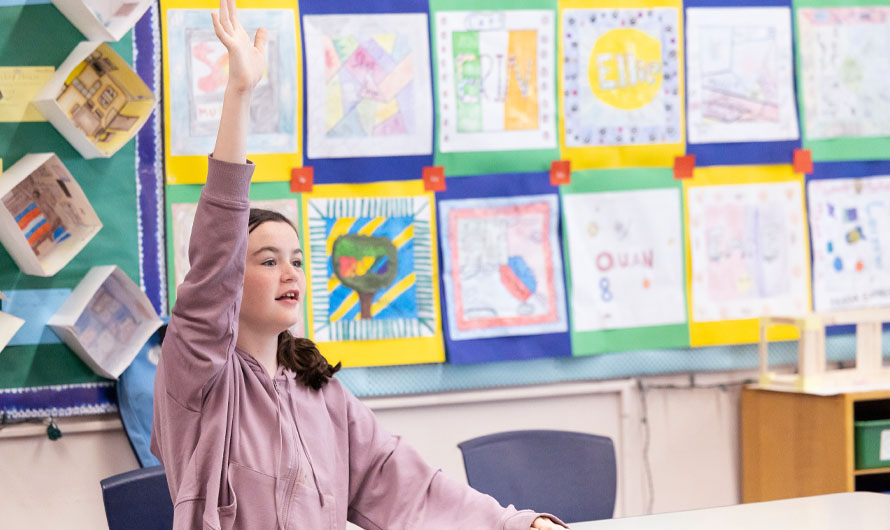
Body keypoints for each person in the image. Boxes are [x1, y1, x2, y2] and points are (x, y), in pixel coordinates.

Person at [150, 1, 568, 529]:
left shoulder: (318, 391)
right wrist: (238, 94)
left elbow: (409, 488)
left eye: (297, 261)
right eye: (267, 260)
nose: (290, 274)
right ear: (233, 277)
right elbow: (213, 258)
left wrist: (516, 524)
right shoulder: (198, 377)